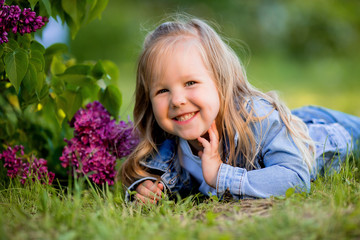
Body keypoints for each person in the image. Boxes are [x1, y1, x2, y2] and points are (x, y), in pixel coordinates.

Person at [120, 16, 360, 204]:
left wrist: (220, 176)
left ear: (221, 82)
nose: (177, 100)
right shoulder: (169, 144)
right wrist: (147, 189)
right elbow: (155, 178)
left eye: (190, 83)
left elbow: (295, 178)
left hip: (329, 133)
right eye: (162, 91)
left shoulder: (257, 119)